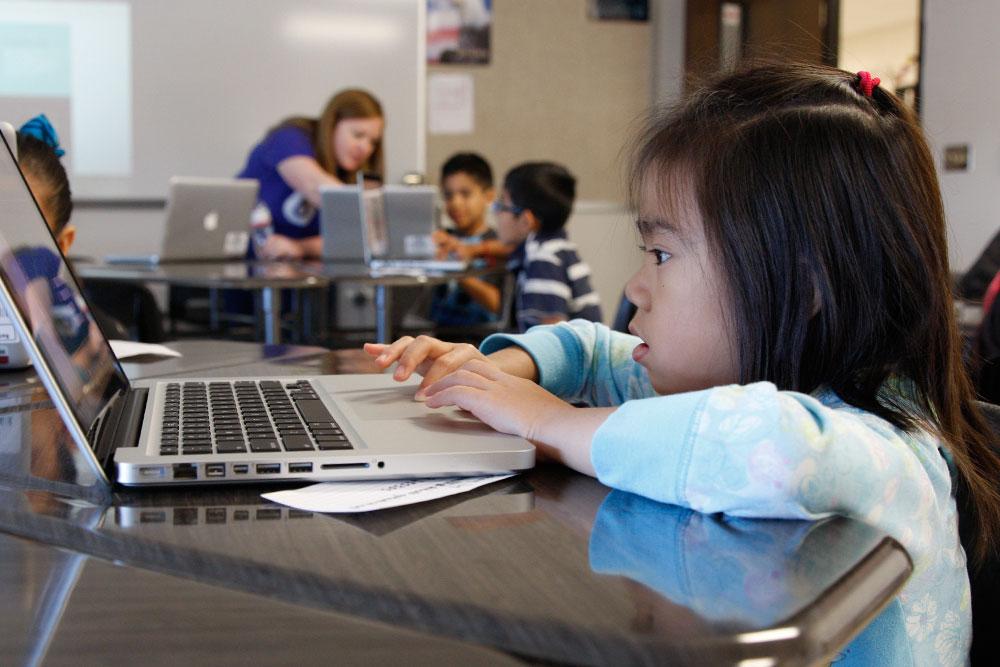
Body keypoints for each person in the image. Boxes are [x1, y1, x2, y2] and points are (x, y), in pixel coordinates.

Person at [363, 64, 1000, 664]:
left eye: (661, 254)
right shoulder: (771, 373)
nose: (635, 287)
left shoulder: (891, 450)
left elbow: (764, 445)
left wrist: (547, 424)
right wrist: (497, 374)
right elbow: (595, 349)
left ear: (804, 288)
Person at [237, 89, 384, 260]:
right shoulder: (290, 138)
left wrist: (300, 247)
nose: (365, 148)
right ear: (333, 124)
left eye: (373, 142)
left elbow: (352, 242)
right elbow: (317, 188)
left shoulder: (346, 174)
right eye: (358, 135)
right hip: (243, 263)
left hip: (296, 273)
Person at [492, 161, 602, 331]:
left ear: (526, 221)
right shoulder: (557, 247)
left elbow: (549, 334)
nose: (496, 212)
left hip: (573, 355)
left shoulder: (544, 260)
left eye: (502, 205)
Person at [429, 152, 511, 327]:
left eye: (465, 194)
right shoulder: (442, 238)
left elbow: (498, 305)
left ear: (488, 196)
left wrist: (456, 271)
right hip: (440, 337)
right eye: (448, 195)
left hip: (482, 342)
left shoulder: (499, 244)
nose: (455, 203)